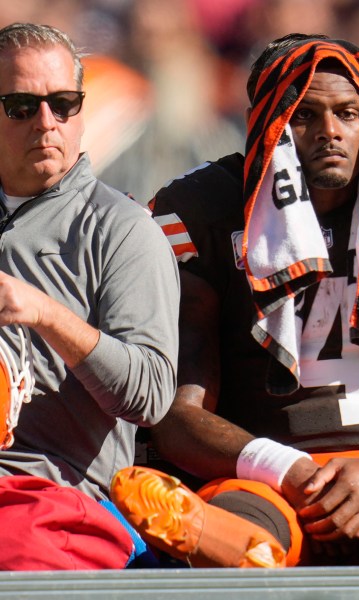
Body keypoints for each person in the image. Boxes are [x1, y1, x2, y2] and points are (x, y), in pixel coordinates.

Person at [110, 33, 359, 569]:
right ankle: (218, 540)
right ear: (265, 122)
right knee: (245, 532)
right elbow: (177, 416)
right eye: (304, 115)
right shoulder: (203, 210)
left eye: (348, 113)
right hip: (268, 480)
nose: (331, 132)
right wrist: (290, 471)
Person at [0, 22, 180, 570]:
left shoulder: (121, 229)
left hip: (55, 500)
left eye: (63, 103)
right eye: (20, 106)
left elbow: (150, 395)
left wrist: (46, 314)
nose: (46, 122)